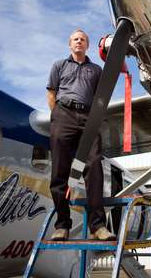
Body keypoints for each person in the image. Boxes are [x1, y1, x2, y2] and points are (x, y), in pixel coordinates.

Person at [46, 29, 116, 241]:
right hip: (63, 113)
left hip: (88, 116)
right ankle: (62, 225)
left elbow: (101, 97)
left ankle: (97, 226)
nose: (79, 42)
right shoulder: (59, 65)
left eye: (83, 39)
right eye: (75, 39)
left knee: (94, 166)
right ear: (70, 44)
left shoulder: (96, 69)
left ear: (87, 45)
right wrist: (58, 117)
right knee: (59, 169)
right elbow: (51, 93)